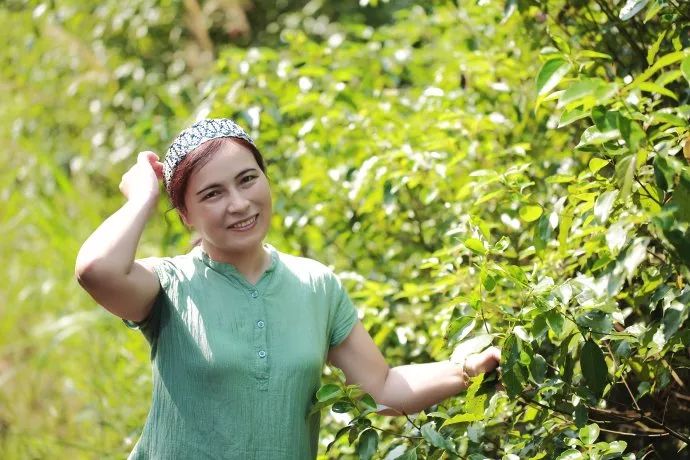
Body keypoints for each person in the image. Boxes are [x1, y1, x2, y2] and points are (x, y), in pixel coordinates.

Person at [75, 118, 501, 459]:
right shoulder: (168, 285)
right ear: (185, 214)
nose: (239, 203)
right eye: (212, 194)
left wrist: (467, 370)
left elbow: (383, 389)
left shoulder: (316, 285)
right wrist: (142, 198)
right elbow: (96, 270)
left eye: (247, 179)